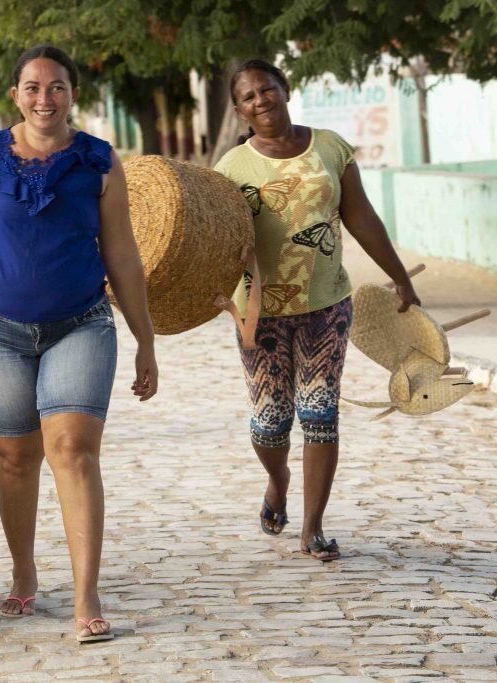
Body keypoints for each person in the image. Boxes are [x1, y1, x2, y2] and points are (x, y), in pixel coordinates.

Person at [0, 45, 158, 643]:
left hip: (81, 324)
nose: (44, 98)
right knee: (15, 458)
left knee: (73, 449)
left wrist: (144, 339)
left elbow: (122, 255)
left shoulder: (100, 163)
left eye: (56, 88)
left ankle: (86, 594)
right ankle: (24, 571)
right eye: (32, 88)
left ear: (73, 94)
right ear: (15, 96)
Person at [214, 59, 420, 561]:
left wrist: (399, 275)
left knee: (320, 414)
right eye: (248, 97)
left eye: (268, 89)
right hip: (260, 312)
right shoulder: (230, 169)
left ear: (286, 89)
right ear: (239, 109)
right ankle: (278, 481)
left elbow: (360, 216)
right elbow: (213, 240)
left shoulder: (330, 147)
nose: (260, 100)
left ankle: (313, 528)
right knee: (270, 422)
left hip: (326, 304)